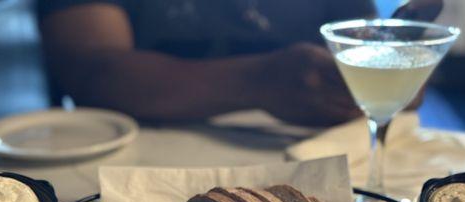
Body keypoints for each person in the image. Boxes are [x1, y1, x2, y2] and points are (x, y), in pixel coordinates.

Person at [38, 0, 442, 127]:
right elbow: (89, 70)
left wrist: (398, 75)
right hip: (135, 154)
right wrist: (258, 81)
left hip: (314, 158)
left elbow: (368, 47)